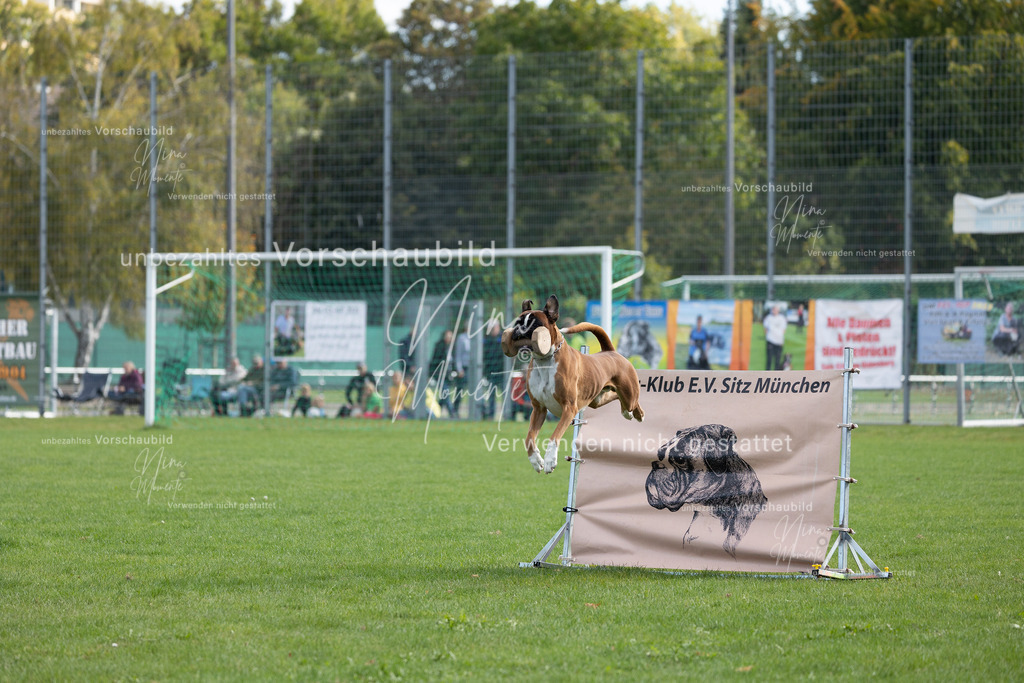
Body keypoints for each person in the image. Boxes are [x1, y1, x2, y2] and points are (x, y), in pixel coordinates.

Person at [481, 320, 505, 419]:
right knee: (491, 395)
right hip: (490, 371)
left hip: (502, 371)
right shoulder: (486, 340)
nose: (492, 330)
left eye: (493, 328)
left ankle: (507, 414)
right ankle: (491, 414)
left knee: (505, 393)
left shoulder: (503, 338)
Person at [429, 330, 455, 417]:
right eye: (447, 336)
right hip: (440, 374)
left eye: (450, 337)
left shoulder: (452, 347)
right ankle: (452, 413)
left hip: (448, 375)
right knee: (445, 393)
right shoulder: (440, 346)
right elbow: (435, 360)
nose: (449, 338)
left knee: (444, 394)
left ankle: (437, 410)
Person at [451, 325, 471, 418]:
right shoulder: (462, 338)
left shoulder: (476, 336)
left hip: (474, 368)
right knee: (460, 389)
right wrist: (459, 369)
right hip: (464, 368)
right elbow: (458, 354)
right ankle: (455, 410)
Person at [764, 304, 788, 371]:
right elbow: (765, 328)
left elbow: (784, 329)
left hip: (779, 342)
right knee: (769, 359)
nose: (774, 311)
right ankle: (767, 376)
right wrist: (768, 336)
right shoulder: (769, 317)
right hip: (770, 341)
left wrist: (779, 337)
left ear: (778, 310)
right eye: (773, 309)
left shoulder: (782, 318)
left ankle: (776, 377)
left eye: (776, 309)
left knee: (777, 360)